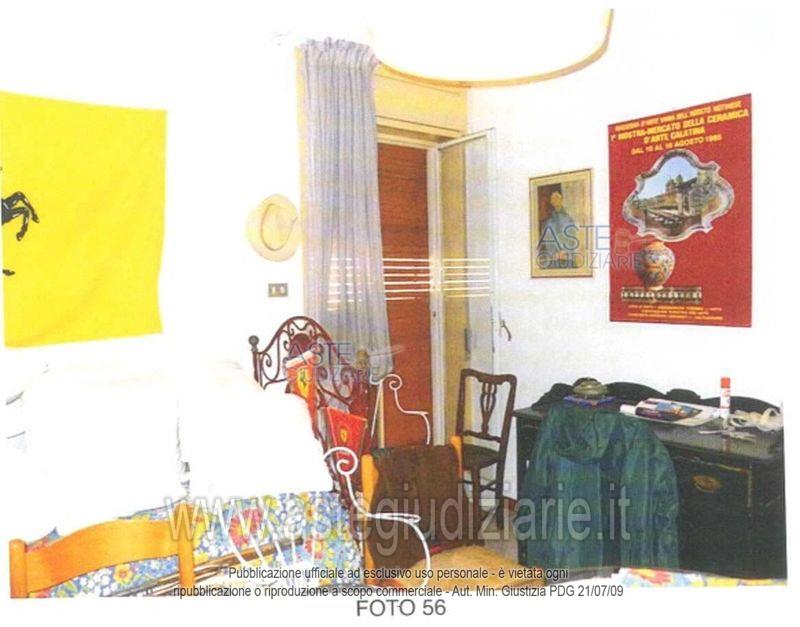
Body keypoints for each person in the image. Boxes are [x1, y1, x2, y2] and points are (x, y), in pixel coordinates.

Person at [537, 189, 579, 269]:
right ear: (551, 201)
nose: (555, 200)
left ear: (562, 199)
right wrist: (554, 253)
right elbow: (547, 239)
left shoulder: (569, 219)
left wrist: (565, 251)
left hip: (567, 258)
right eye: (553, 198)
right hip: (553, 259)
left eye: (557, 197)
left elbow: (572, 239)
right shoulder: (549, 222)